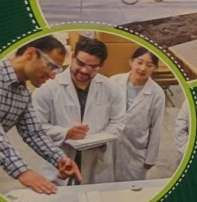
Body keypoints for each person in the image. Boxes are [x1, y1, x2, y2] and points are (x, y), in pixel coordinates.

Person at [0, 35, 80, 195]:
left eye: (57, 70)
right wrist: (22, 171)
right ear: (30, 54)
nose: (52, 75)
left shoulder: (23, 93)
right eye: (51, 66)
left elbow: (33, 132)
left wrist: (59, 158)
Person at [35, 34, 128, 184]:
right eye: (81, 63)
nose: (85, 70)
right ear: (72, 57)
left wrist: (100, 138)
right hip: (59, 159)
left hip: (96, 159)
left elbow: (118, 122)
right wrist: (65, 133)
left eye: (93, 67)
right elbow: (36, 128)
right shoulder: (49, 87)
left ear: (101, 66)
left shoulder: (111, 88)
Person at [109, 46, 169, 183]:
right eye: (139, 62)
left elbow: (156, 127)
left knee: (131, 191)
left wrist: (150, 158)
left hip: (136, 152)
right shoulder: (113, 82)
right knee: (106, 187)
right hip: (110, 146)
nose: (142, 68)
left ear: (155, 68)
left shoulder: (156, 93)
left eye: (149, 65)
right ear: (131, 62)